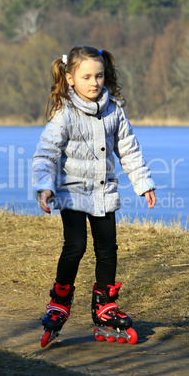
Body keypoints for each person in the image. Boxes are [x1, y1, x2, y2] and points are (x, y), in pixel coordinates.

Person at [32, 45, 156, 345]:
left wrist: (144, 183)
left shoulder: (114, 110)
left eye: (99, 75)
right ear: (71, 78)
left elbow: (129, 150)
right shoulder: (66, 113)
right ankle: (60, 301)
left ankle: (104, 307)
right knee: (75, 245)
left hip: (103, 192)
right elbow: (46, 154)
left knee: (108, 249)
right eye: (86, 76)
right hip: (72, 193)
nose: (94, 82)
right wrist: (44, 186)